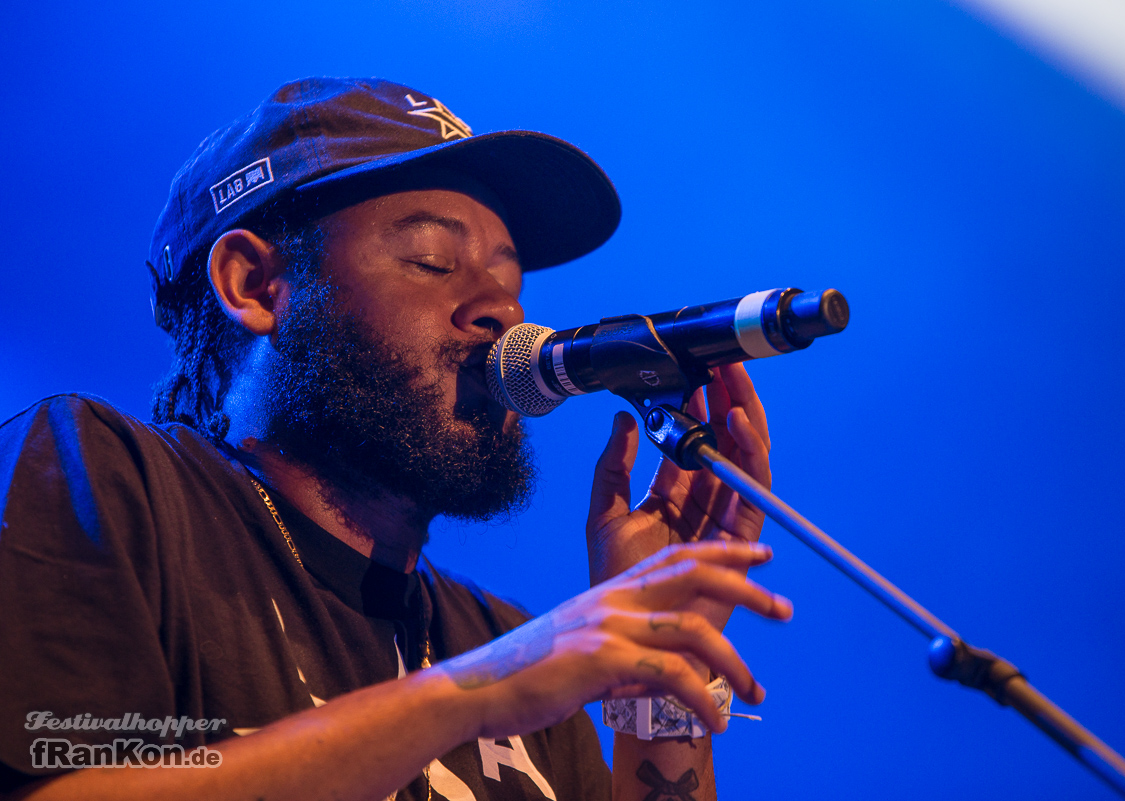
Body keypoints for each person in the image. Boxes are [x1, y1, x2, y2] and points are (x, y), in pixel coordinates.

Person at [0, 77, 789, 801]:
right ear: (255, 285)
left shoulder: (508, 644)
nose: (504, 316)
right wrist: (488, 688)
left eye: (510, 283)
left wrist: (660, 678)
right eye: (433, 260)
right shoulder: (103, 477)